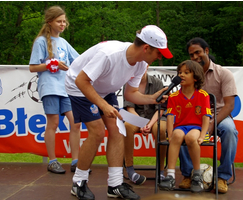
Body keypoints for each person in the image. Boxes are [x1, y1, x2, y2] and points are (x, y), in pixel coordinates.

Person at [64, 25, 173, 200]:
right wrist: (103, 106)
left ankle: (114, 185)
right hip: (79, 87)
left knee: (118, 129)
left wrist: (153, 98)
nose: (160, 57)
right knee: (98, 131)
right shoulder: (109, 55)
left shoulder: (140, 63)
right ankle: (78, 182)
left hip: (104, 90)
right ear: (146, 48)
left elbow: (131, 94)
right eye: (159, 53)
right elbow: (81, 80)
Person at [178, 37, 238, 194]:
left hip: (219, 115)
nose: (195, 57)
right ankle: (188, 175)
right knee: (179, 130)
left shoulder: (223, 73)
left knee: (230, 131)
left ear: (206, 51)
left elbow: (229, 105)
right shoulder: (188, 75)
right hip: (195, 117)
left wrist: (211, 123)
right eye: (191, 55)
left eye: (198, 52)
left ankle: (223, 177)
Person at [29, 6, 81, 174]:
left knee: (75, 122)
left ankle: (76, 161)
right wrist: (51, 64)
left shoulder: (64, 43)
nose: (62, 24)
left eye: (64, 21)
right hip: (50, 87)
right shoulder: (41, 41)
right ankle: (52, 161)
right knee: (53, 123)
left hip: (65, 88)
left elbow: (79, 60)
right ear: (50, 22)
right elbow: (32, 67)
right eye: (59, 21)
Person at [158, 60, 212, 193]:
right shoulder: (174, 96)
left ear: (195, 77)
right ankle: (170, 175)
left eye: (186, 73)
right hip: (180, 126)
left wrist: (203, 134)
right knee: (176, 135)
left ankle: (197, 175)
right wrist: (170, 135)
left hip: (196, 127)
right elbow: (170, 117)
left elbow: (206, 117)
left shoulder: (203, 95)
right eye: (180, 72)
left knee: (191, 137)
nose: (181, 75)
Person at [123, 66, 167, 185]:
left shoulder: (157, 82)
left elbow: (160, 109)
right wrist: (141, 123)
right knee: (127, 126)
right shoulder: (128, 84)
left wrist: (149, 124)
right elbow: (130, 108)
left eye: (141, 67)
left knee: (161, 129)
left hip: (155, 118)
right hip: (137, 117)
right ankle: (130, 169)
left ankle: (161, 170)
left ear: (147, 67)